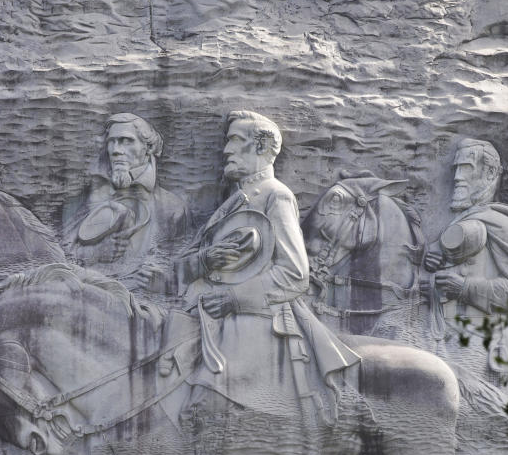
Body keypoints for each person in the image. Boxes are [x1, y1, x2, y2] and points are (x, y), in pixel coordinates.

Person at [164, 110, 360, 422]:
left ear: (263, 148)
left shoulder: (275, 195)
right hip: (204, 311)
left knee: (205, 404)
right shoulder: (234, 201)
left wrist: (234, 299)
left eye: (235, 141)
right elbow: (195, 263)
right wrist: (204, 261)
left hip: (253, 315)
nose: (226, 150)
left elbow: (295, 273)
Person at [421, 138, 508, 383]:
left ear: (488, 174)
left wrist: (464, 288)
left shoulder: (502, 226)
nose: (457, 177)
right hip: (442, 338)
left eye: (466, 168)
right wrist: (432, 278)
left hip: (483, 348)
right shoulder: (461, 224)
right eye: (456, 169)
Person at [62, 113, 190, 290]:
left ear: (148, 147)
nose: (115, 150)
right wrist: (95, 252)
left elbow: (182, 267)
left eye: (126, 141)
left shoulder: (172, 207)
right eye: (111, 142)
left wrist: (164, 282)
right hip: (89, 290)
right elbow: (61, 254)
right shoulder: (88, 198)